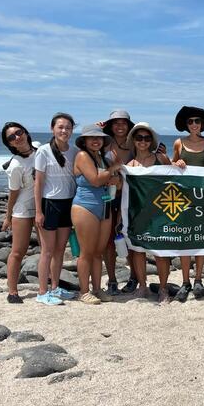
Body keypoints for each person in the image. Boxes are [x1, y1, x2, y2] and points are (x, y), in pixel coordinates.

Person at [171, 106, 204, 301]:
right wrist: (176, 164)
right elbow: (170, 168)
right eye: (190, 121)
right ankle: (185, 281)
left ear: (202, 124)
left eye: (197, 121)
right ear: (186, 124)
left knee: (200, 240)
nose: (194, 124)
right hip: (183, 200)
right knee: (185, 241)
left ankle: (198, 279)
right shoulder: (178, 143)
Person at [71, 124, 123, 304]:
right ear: (84, 141)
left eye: (99, 138)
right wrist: (113, 170)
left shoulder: (102, 158)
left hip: (105, 206)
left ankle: (97, 289)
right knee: (86, 252)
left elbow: (116, 182)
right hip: (86, 206)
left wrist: (114, 177)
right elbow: (94, 180)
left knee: (98, 252)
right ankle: (84, 291)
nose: (95, 141)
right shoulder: (83, 156)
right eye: (91, 138)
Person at [125, 122, 173, 303]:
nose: (143, 141)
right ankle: (143, 286)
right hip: (137, 213)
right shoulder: (129, 165)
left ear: (151, 141)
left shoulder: (161, 159)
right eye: (139, 138)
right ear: (134, 141)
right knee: (138, 250)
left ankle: (163, 288)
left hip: (159, 212)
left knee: (160, 251)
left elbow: (176, 177)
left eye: (146, 138)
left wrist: (179, 162)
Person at [33, 113, 79, 305]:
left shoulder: (75, 151)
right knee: (47, 250)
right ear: (53, 128)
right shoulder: (43, 151)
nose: (64, 131)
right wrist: (38, 211)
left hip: (68, 203)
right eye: (60, 127)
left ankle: (55, 287)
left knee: (60, 249)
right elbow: (39, 183)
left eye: (68, 127)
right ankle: (42, 292)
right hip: (49, 203)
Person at [0, 122, 37, 304]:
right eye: (11, 137)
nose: (17, 137)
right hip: (23, 211)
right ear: (10, 145)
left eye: (19, 132)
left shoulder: (39, 149)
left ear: (25, 132)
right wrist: (8, 217)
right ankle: (12, 291)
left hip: (42, 208)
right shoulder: (15, 165)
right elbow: (13, 194)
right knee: (18, 251)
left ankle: (53, 287)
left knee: (49, 249)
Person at [101, 109, 136, 295]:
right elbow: (84, 146)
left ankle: (134, 277)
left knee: (130, 238)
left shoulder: (135, 143)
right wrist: (98, 129)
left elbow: (149, 161)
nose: (120, 126)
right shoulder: (103, 142)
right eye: (115, 122)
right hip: (107, 195)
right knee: (108, 240)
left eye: (123, 122)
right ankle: (112, 279)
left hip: (130, 197)